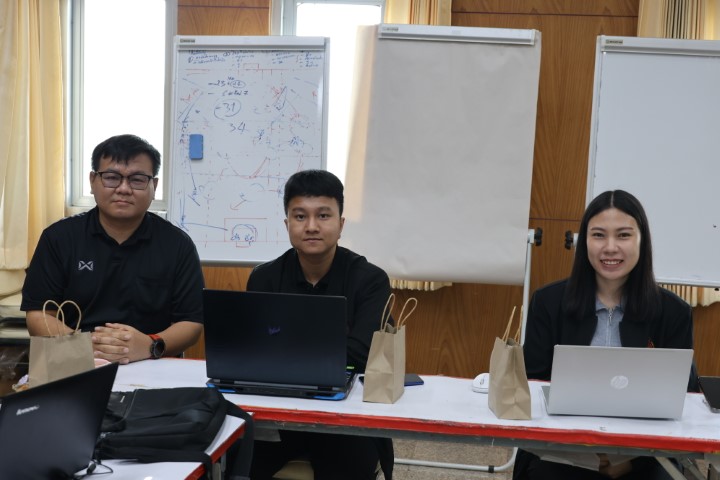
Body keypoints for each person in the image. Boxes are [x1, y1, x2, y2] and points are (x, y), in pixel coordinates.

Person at [514, 190, 698, 480]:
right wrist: (582, 453)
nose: (610, 248)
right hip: (562, 451)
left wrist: (628, 461)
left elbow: (683, 399)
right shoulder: (548, 302)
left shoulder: (674, 312)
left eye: (623, 235)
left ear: (642, 241)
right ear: (584, 241)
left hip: (645, 455)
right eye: (598, 235)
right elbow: (532, 387)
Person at [246, 169, 393, 480]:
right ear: (287, 224)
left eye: (323, 215)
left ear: (341, 224)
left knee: (348, 468)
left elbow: (362, 354)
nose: (311, 226)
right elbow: (255, 353)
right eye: (300, 216)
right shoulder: (265, 278)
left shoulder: (370, 280)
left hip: (348, 416)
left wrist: (286, 350)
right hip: (279, 411)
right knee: (235, 458)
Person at [21, 134, 204, 364]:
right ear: (92, 181)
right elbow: (38, 314)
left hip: (152, 363)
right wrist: (83, 346)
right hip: (74, 361)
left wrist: (150, 344)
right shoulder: (58, 238)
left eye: (137, 179)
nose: (124, 188)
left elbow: (191, 322)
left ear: (154, 186)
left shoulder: (177, 244)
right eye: (111, 178)